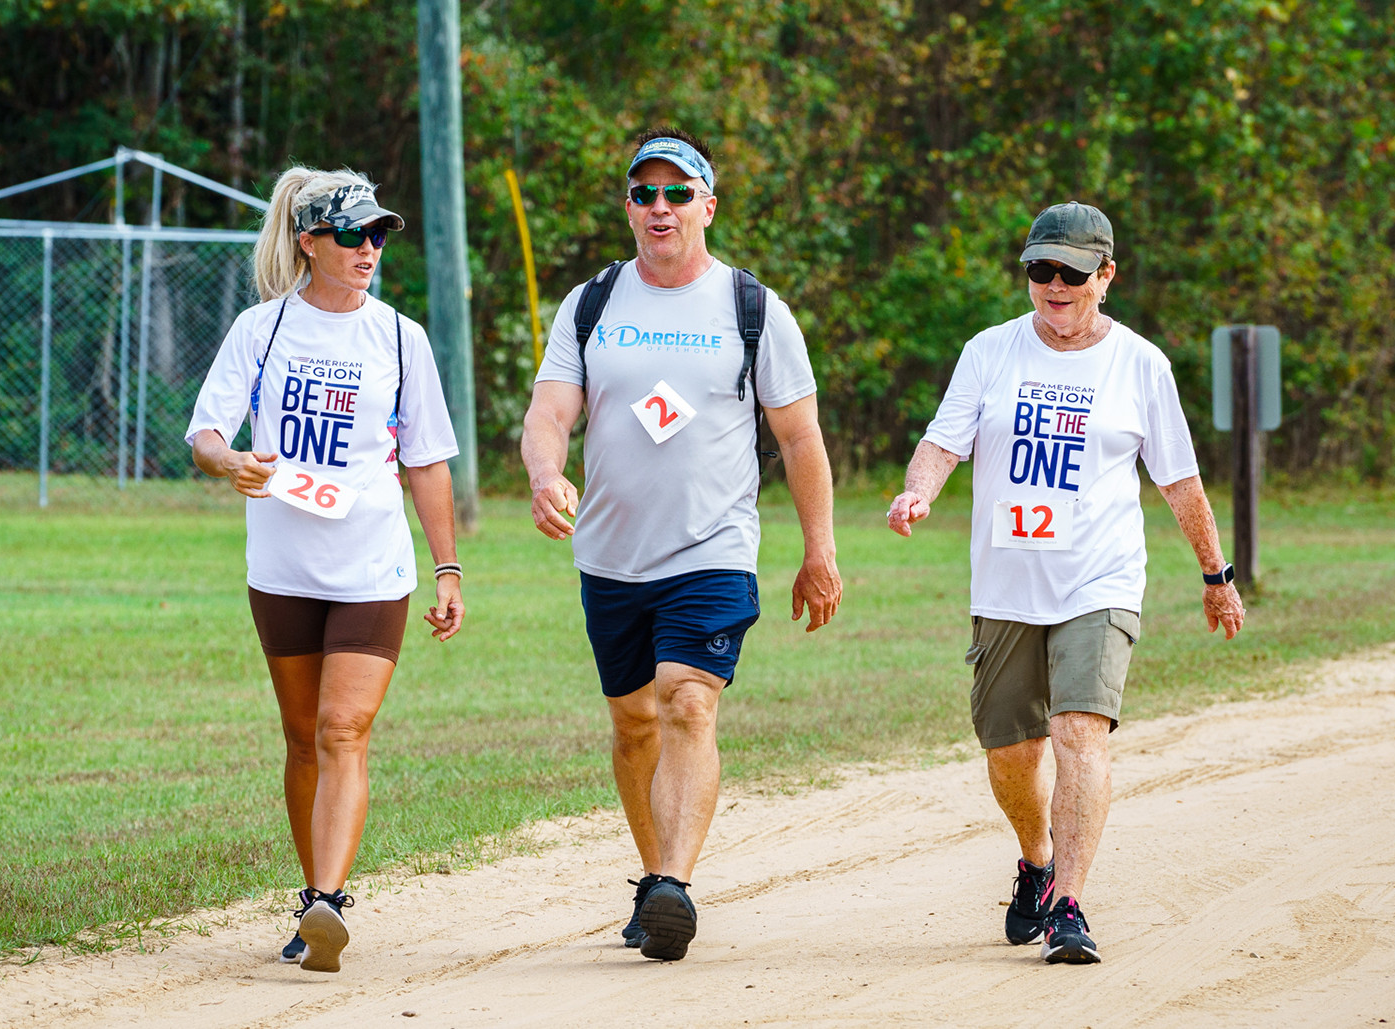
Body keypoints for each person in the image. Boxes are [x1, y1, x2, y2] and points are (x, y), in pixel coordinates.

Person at [886, 201, 1245, 964]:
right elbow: (941, 443)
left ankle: (1070, 905)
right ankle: (1037, 856)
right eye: (1039, 270)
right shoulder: (989, 352)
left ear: (1106, 276)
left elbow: (1180, 482)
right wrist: (919, 490)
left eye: (1070, 273)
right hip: (1008, 587)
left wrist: (1216, 575)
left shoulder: (1140, 365)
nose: (1053, 285)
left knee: (1078, 731)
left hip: (1100, 581)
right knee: (1011, 751)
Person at [521, 128, 843, 962]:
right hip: (611, 557)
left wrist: (820, 550)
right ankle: (651, 876)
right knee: (633, 724)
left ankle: (675, 885)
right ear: (628, 205)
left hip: (713, 549)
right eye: (643, 193)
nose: (658, 207)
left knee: (687, 701)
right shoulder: (592, 303)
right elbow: (550, 412)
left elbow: (800, 439)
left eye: (676, 191)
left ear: (708, 203)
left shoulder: (752, 308)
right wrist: (546, 474)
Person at [184, 165, 465, 974]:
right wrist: (227, 460)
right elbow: (206, 430)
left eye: (379, 234)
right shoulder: (262, 329)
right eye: (352, 234)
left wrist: (447, 567)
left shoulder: (401, 338)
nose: (369, 248)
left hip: (373, 567)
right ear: (309, 242)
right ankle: (311, 897)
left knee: (345, 728)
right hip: (281, 567)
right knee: (302, 737)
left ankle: (330, 902)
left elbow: (429, 462)